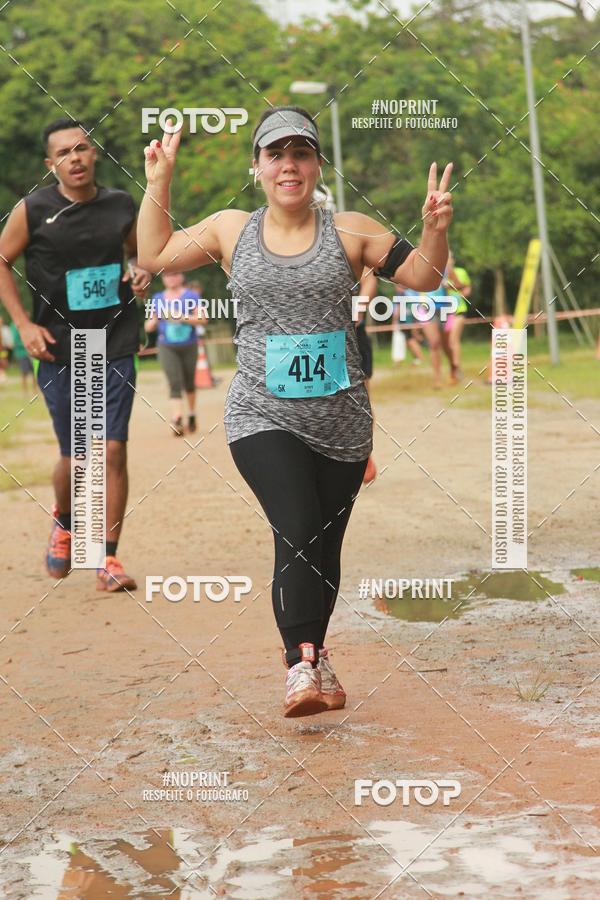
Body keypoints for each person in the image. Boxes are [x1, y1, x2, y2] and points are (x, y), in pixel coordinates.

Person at [138, 106, 453, 716]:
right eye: (275, 154)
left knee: (323, 543)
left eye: (301, 153)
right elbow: (154, 255)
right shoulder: (232, 230)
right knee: (298, 527)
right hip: (262, 413)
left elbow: (424, 276)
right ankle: (300, 665)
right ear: (257, 167)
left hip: (342, 424)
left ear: (317, 165)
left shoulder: (351, 231)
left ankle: (317, 654)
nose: (289, 165)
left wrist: (435, 226)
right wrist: (159, 182)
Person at [0, 117, 150, 591]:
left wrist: (143, 268)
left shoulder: (121, 204)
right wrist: (22, 324)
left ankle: (107, 559)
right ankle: (65, 520)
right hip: (60, 346)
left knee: (113, 449)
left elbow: (142, 251)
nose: (75, 158)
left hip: (115, 338)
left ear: (94, 154)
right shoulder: (33, 209)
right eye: (64, 153)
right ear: (51, 164)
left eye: (82, 148)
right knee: (77, 455)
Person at [145, 272, 205, 435]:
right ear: (163, 279)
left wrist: (181, 317)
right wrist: (155, 320)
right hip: (166, 346)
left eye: (174, 275)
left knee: (189, 383)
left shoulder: (191, 296)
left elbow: (203, 318)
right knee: (174, 382)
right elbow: (148, 326)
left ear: (181, 277)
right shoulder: (158, 298)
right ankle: (177, 419)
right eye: (166, 276)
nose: (170, 278)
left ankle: (191, 414)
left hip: (188, 345)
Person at [355, 268, 378, 483]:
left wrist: (358, 310)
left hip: (352, 332)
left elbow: (368, 278)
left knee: (360, 398)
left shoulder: (347, 235)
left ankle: (363, 454)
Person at [444, 251, 471, 380]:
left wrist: (462, 295)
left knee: (453, 340)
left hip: (459, 310)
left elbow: (466, 287)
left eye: (449, 258)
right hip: (445, 312)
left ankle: (456, 368)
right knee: (447, 343)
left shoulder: (460, 272)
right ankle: (453, 368)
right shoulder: (439, 275)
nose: (447, 261)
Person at [9, 320, 35, 392]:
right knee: (24, 372)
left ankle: (35, 389)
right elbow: (15, 341)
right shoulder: (15, 326)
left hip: (30, 352)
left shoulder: (26, 324)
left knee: (34, 372)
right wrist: (27, 344)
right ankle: (25, 390)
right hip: (21, 353)